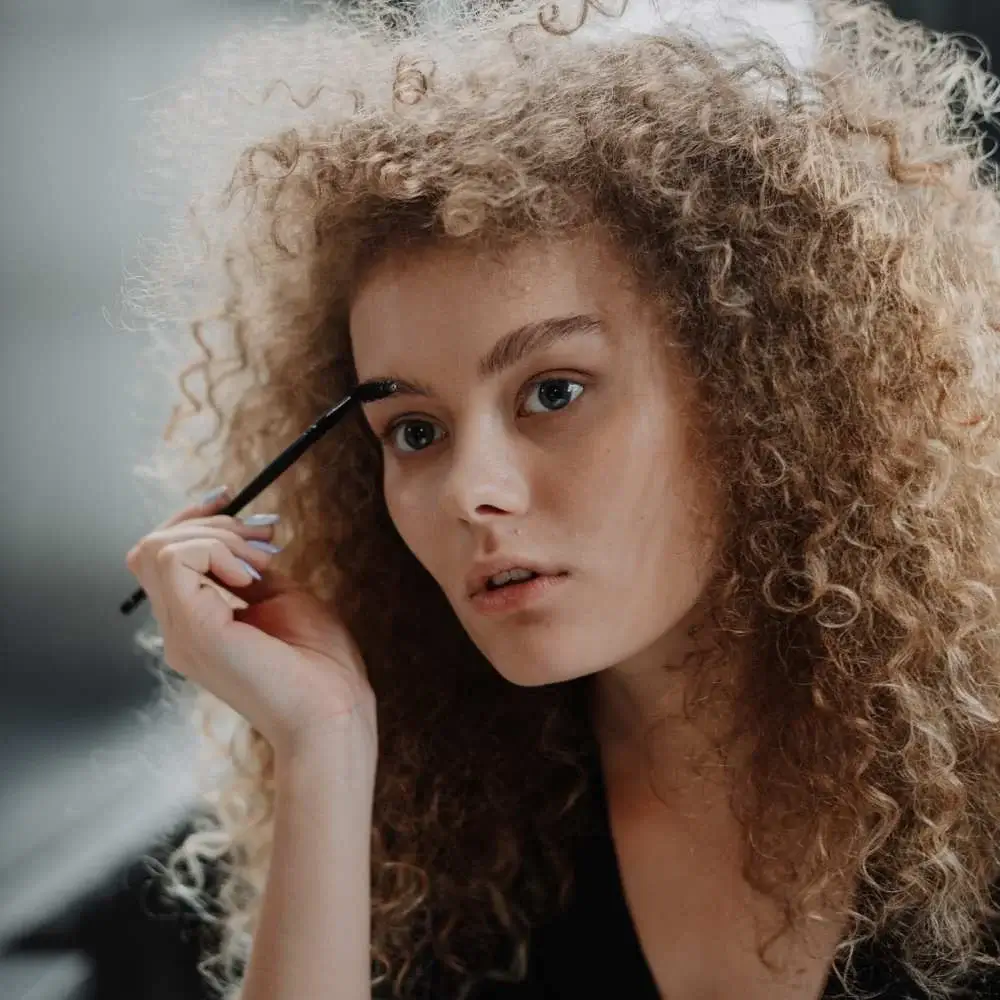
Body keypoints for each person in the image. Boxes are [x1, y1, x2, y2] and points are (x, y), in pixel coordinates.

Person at [122, 0, 1000, 997]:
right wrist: (323, 745)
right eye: (414, 430)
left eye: (552, 391)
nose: (470, 492)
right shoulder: (455, 835)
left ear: (759, 386)